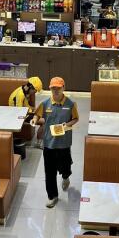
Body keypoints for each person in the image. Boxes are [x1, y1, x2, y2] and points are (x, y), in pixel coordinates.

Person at [33, 76, 79, 208]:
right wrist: (34, 119)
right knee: (49, 172)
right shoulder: (45, 103)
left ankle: (65, 177)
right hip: (49, 143)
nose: (56, 91)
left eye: (58, 88)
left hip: (64, 143)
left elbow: (75, 118)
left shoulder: (71, 104)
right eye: (53, 88)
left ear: (63, 88)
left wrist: (66, 126)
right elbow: (37, 115)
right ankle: (52, 196)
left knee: (65, 167)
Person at [9, 77, 43, 150]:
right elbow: (19, 112)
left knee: (43, 114)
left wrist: (33, 110)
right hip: (18, 116)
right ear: (30, 87)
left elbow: (25, 105)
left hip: (23, 113)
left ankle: (40, 140)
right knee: (43, 121)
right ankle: (38, 143)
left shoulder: (24, 91)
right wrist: (33, 114)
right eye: (35, 91)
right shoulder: (20, 94)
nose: (34, 93)